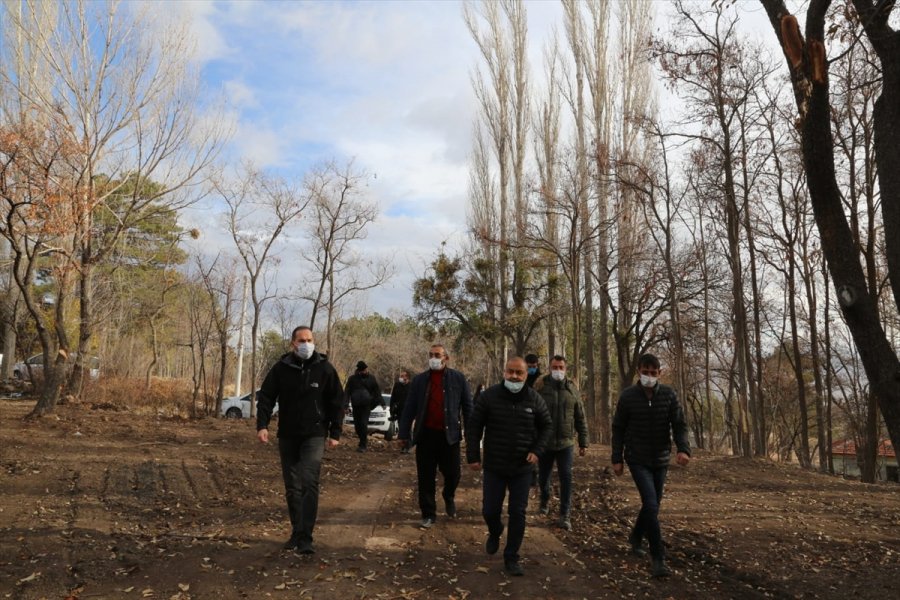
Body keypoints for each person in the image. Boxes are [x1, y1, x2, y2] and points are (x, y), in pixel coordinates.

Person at [256, 326, 343, 555]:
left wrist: (335, 432)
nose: (306, 344)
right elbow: (266, 397)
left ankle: (306, 538)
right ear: (293, 343)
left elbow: (337, 401)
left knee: (309, 481)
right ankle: (296, 531)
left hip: (314, 434)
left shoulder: (324, 368)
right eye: (302, 340)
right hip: (287, 434)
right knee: (292, 486)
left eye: (310, 340)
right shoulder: (281, 368)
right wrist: (262, 425)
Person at [466, 357, 551, 577]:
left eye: (519, 373)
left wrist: (537, 450)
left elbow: (546, 427)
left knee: (518, 512)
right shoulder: (489, 396)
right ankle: (495, 530)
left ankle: (512, 557)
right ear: (504, 372)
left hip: (522, 467)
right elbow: (474, 426)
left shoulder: (535, 399)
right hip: (494, 465)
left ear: (525, 375)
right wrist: (473, 455)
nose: (514, 376)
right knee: (490, 510)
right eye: (510, 372)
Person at [611, 352, 691, 578]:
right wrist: (617, 458)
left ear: (660, 373)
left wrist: (683, 449)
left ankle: (636, 536)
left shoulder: (668, 395)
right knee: (651, 503)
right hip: (637, 458)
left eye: (653, 373)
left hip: (661, 459)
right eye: (645, 372)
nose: (649, 376)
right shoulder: (628, 397)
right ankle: (658, 558)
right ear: (639, 371)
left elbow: (679, 424)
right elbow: (618, 428)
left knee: (652, 506)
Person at [398, 344, 472, 529]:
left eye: (437, 355)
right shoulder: (419, 380)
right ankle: (428, 514)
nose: (433, 358)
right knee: (426, 478)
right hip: (426, 435)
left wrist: (471, 434)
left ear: (446, 357)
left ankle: (448, 495)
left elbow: (468, 408)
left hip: (450, 436)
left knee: (453, 473)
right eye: (431, 355)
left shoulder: (458, 379)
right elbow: (409, 408)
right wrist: (403, 433)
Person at [534, 355, 588, 531]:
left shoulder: (572, 389)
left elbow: (580, 416)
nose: (558, 370)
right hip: (546, 441)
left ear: (566, 369)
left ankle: (565, 514)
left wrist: (583, 441)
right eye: (555, 367)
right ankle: (544, 500)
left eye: (561, 367)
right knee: (544, 476)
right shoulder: (540, 388)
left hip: (566, 443)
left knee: (566, 477)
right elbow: (533, 415)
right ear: (550, 368)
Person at [344, 360, 382, 452]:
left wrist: (377, 402)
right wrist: (345, 405)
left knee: (363, 424)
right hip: (356, 405)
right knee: (357, 426)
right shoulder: (352, 379)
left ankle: (363, 444)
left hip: (366, 406)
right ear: (359, 370)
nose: (364, 372)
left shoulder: (371, 378)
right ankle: (362, 438)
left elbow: (377, 391)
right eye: (362, 370)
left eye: (365, 370)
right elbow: (347, 392)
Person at [389, 369, 411, 453]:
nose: (400, 377)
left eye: (402, 376)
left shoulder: (412, 386)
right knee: (401, 428)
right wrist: (392, 410)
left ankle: (407, 446)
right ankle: (404, 446)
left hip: (408, 411)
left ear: (407, 377)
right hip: (399, 411)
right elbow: (393, 398)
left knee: (407, 429)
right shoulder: (397, 385)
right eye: (400, 376)